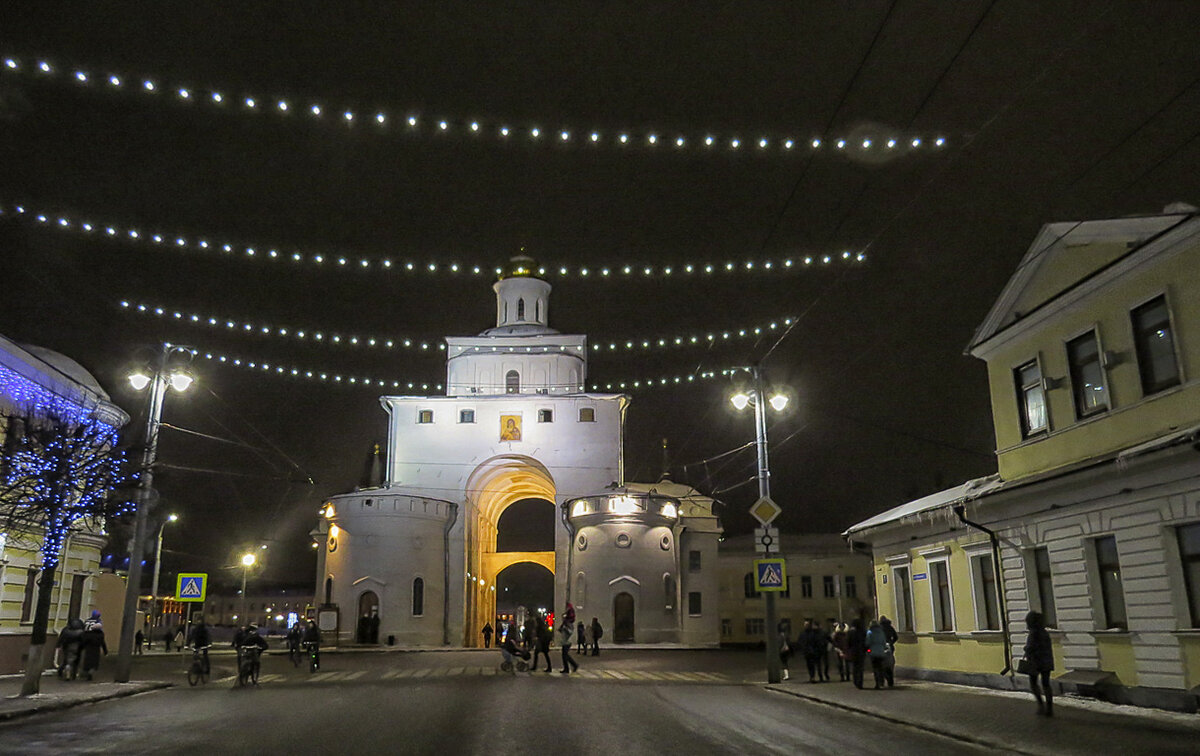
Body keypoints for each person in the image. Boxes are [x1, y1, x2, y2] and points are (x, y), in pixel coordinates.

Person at [1023, 611, 1055, 716]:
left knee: (1033, 683)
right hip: (1046, 661)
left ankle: (1041, 706)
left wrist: (1026, 648)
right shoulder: (1044, 633)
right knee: (1046, 684)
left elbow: (1030, 648)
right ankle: (1049, 708)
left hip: (1035, 663)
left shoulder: (1033, 634)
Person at [865, 619, 892, 690]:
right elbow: (884, 642)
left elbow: (868, 643)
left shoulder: (869, 632)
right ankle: (882, 682)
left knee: (875, 668)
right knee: (881, 667)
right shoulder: (881, 632)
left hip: (873, 652)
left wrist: (868, 650)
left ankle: (877, 683)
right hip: (881, 652)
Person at [80, 611, 107, 681]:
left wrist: (82, 645)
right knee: (95, 660)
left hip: (87, 642)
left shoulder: (87, 621)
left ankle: (86, 670)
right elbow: (102, 641)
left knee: (87, 658)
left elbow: (84, 630)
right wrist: (105, 651)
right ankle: (91, 671)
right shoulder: (98, 622)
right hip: (96, 645)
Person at [879, 615, 898, 687]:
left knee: (881, 665)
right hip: (889, 647)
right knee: (889, 664)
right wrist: (891, 642)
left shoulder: (879, 629)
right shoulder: (890, 627)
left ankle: (882, 681)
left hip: (881, 648)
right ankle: (890, 680)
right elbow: (896, 637)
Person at [847, 618, 867, 689]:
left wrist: (849, 650)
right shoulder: (863, 632)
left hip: (854, 651)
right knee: (860, 668)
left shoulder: (851, 632)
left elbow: (848, 642)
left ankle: (856, 681)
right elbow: (866, 642)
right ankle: (860, 682)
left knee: (855, 667)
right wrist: (866, 650)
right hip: (861, 651)